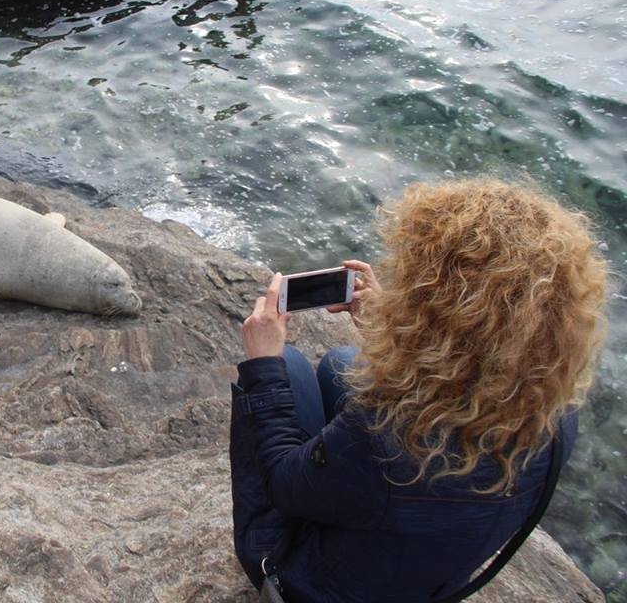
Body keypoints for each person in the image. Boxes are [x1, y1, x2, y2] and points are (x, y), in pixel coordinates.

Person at [230, 179, 608, 603]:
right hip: (420, 569)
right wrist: (388, 326)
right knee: (340, 363)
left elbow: (283, 485)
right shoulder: (556, 414)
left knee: (290, 367)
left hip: (308, 583)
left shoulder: (387, 439)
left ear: (435, 307)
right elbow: (468, 369)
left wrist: (263, 365)